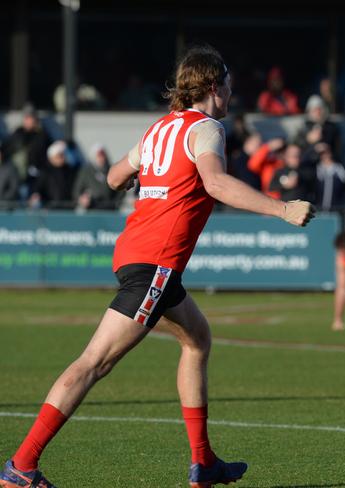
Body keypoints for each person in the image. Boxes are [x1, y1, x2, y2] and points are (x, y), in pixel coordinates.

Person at [0, 46, 315, 488]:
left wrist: (146, 177)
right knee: (94, 362)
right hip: (156, 264)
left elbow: (112, 176)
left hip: (136, 255)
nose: (231, 91)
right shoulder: (207, 129)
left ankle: (203, 462)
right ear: (211, 86)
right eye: (227, 83)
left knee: (198, 339)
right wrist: (283, 210)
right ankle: (21, 465)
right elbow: (216, 182)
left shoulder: (160, 128)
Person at [28, 140, 78, 209]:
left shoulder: (70, 171)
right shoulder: (45, 172)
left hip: (68, 209)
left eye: (63, 154)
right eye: (59, 155)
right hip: (51, 210)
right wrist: (36, 195)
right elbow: (37, 189)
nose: (62, 157)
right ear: (51, 157)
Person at [73, 143, 119, 211]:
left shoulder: (111, 170)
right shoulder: (86, 172)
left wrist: (116, 203)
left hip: (109, 209)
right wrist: (82, 198)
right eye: (99, 156)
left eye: (103, 155)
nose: (101, 158)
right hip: (91, 209)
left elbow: (120, 189)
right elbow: (77, 190)